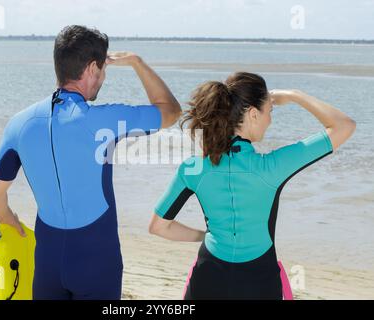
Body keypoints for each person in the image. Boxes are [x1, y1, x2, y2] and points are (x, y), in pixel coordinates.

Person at [0, 25, 181, 300]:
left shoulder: (19, 124)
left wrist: (10, 220)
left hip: (48, 260)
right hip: (96, 260)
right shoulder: (103, 121)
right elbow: (170, 111)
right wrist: (137, 63)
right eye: (102, 69)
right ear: (91, 68)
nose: (103, 77)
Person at [149, 72, 356, 299]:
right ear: (254, 114)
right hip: (259, 284)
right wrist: (295, 95)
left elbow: (159, 227)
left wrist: (207, 236)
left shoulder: (193, 168)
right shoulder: (272, 167)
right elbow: (343, 126)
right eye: (270, 111)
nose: (270, 120)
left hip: (207, 280)